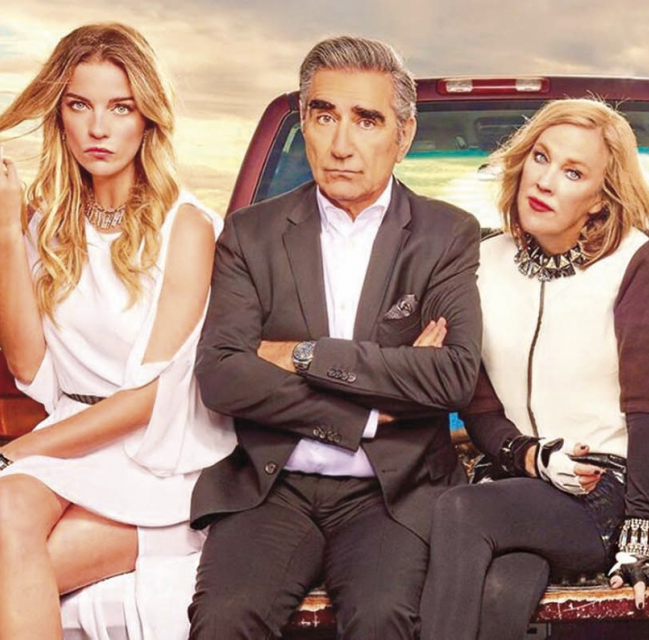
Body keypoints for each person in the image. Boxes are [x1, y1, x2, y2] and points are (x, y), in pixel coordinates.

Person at [187, 35, 482, 639]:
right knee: (223, 620)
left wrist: (303, 355)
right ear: (304, 122)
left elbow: (452, 375)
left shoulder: (446, 235)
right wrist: (369, 410)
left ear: (403, 134)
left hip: (392, 491)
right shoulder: (250, 233)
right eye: (324, 116)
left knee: (382, 617)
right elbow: (221, 374)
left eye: (366, 120)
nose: (341, 144)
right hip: (273, 487)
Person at [0, 23, 236, 639]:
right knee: (6, 504)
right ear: (60, 115)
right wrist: (5, 231)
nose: (98, 128)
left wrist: (5, 455)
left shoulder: (186, 227)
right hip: (68, 447)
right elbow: (28, 367)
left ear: (147, 117)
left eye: (120, 107)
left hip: (159, 465)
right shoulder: (49, 225)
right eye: (80, 105)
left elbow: (151, 399)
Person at [419, 98, 649, 640]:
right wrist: (529, 457)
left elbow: (648, 409)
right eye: (541, 158)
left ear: (600, 196)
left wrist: (642, 529)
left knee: (461, 510)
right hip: (514, 479)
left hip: (602, 489)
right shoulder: (482, 263)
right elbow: (480, 406)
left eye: (573, 172)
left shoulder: (634, 258)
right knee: (503, 589)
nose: (544, 181)